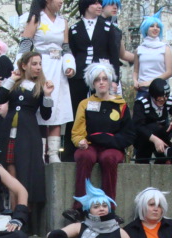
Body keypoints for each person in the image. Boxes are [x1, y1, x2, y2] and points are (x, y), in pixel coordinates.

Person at [63, 63, 134, 223]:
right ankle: (79, 208)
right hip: (90, 145)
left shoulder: (121, 105)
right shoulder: (85, 104)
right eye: (97, 79)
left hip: (113, 147)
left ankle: (110, 209)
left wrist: (113, 142)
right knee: (84, 156)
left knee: (108, 158)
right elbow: (77, 131)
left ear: (110, 81)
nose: (101, 82)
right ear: (92, 83)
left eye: (104, 79)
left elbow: (128, 133)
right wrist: (80, 141)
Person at [0, 51, 54, 209]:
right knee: (10, 170)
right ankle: (14, 211)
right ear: (24, 65)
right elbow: (0, 98)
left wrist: (48, 96)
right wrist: (11, 79)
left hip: (28, 133)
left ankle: (23, 212)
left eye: (40, 64)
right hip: (9, 131)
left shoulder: (41, 86)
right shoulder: (14, 83)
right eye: (34, 64)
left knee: (25, 171)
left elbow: (46, 115)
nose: (38, 67)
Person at [19, 0, 75, 163]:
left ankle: (54, 153)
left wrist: (69, 65)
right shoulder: (35, 18)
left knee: (57, 108)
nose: (61, 2)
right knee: (41, 108)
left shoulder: (63, 22)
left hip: (59, 69)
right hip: (41, 66)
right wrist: (21, 68)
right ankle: (40, 152)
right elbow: (25, 44)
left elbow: (66, 47)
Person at [64, 0, 119, 161]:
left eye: (99, 3)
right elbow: (70, 53)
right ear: (86, 6)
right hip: (78, 78)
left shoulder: (108, 27)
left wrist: (114, 79)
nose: (99, 6)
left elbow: (114, 54)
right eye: (95, 3)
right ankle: (70, 152)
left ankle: (102, 147)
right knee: (76, 111)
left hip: (101, 75)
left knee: (102, 111)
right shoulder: (74, 29)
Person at [132, 78, 172, 164]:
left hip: (160, 134)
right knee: (153, 127)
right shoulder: (142, 103)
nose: (163, 100)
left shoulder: (168, 101)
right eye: (159, 99)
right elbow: (137, 126)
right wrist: (155, 139)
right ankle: (144, 161)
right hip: (144, 137)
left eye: (165, 98)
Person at [132, 9, 172, 100]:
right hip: (143, 90)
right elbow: (136, 71)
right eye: (152, 26)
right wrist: (135, 81)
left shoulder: (165, 48)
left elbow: (169, 72)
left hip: (160, 91)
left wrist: (151, 82)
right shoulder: (139, 49)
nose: (155, 28)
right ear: (146, 29)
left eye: (158, 26)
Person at [100, 0, 135, 94]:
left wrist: (142, 57)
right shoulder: (95, 27)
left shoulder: (115, 29)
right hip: (100, 75)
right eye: (111, 4)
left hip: (114, 75)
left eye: (116, 5)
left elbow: (122, 53)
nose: (115, 7)